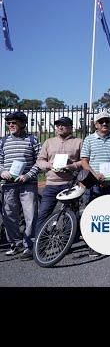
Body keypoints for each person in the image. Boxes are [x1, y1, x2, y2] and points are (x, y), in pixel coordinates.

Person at [0, 111, 41, 259]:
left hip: (27, 184)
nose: (10, 125)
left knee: (30, 215)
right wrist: (2, 171)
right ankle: (15, 244)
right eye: (9, 123)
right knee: (9, 215)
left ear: (22, 124)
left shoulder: (32, 139)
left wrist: (28, 175)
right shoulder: (2, 141)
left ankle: (29, 246)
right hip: (8, 185)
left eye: (14, 122)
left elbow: (40, 160)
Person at [35, 116, 83, 235]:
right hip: (51, 184)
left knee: (71, 214)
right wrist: (49, 165)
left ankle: (67, 240)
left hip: (70, 184)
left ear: (71, 128)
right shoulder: (48, 142)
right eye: (58, 125)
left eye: (63, 125)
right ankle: (40, 242)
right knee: (43, 214)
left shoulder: (78, 142)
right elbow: (40, 160)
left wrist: (71, 166)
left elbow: (84, 161)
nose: (60, 127)